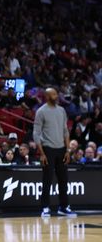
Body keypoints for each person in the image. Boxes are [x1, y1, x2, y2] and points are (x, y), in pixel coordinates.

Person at [34, 87, 75, 217]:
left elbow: (65, 131)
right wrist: (42, 153)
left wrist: (68, 150)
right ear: (46, 97)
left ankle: (63, 207)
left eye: (56, 94)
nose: (56, 96)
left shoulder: (62, 110)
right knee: (47, 179)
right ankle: (45, 207)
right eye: (53, 95)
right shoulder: (41, 111)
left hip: (61, 149)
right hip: (48, 148)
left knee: (63, 179)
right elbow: (36, 133)